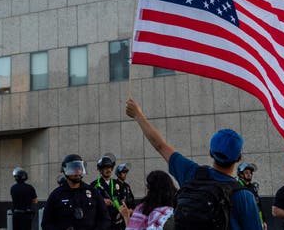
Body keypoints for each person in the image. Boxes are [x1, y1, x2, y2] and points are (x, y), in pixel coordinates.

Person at [125, 97, 262, 230]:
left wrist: (138, 114)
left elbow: (160, 145)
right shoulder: (244, 196)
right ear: (239, 158)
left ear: (210, 152)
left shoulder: (192, 173)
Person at [41, 153, 110, 230]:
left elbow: (105, 219)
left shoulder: (93, 192)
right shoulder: (56, 195)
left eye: (79, 168)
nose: (77, 172)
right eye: (73, 169)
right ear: (65, 171)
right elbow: (46, 223)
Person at [90, 154, 126, 230]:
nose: (108, 170)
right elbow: (90, 203)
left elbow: (123, 202)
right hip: (102, 222)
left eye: (110, 167)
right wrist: (101, 201)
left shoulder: (118, 183)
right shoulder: (94, 185)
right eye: (105, 168)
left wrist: (121, 213)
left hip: (117, 222)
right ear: (100, 170)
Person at [237, 163, 267, 230]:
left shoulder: (253, 187)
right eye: (246, 172)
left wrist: (263, 221)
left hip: (256, 223)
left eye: (250, 172)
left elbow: (259, 205)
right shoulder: (237, 187)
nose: (249, 174)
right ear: (241, 174)